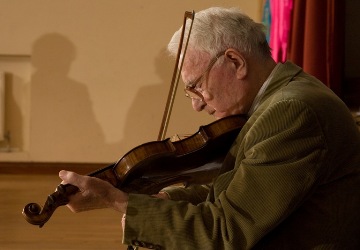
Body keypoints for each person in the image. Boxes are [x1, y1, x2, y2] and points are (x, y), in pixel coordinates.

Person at [59, 7, 360, 250]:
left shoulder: (291, 113)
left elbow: (227, 232)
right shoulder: (280, 97)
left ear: (235, 61)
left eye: (197, 87)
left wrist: (117, 200)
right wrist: (162, 201)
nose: (197, 105)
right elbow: (230, 192)